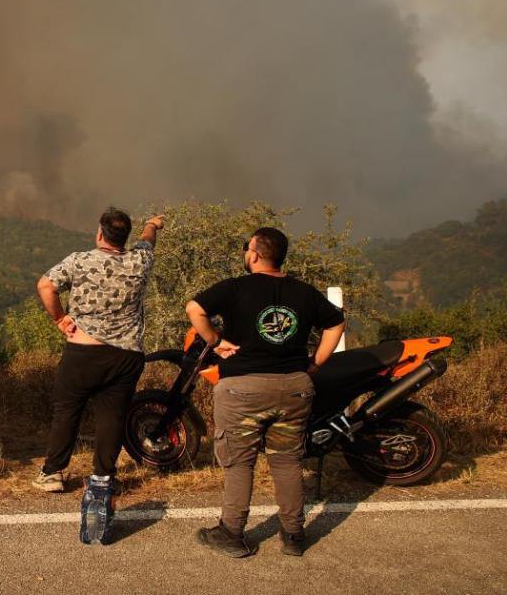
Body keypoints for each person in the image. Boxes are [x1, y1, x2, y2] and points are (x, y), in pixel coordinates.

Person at [185, 227, 345, 558]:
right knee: (287, 461)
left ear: (255, 253)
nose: (246, 253)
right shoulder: (304, 292)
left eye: (247, 248)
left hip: (242, 389)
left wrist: (215, 341)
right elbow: (336, 323)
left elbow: (194, 309)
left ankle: (232, 533)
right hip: (294, 389)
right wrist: (315, 363)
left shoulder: (234, 288)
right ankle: (294, 536)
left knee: (239, 462)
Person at [32, 208, 164, 524]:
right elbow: (148, 241)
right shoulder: (140, 261)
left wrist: (60, 319)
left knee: (67, 411)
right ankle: (103, 477)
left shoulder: (79, 260)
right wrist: (152, 224)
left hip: (83, 352)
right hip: (126, 355)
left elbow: (45, 286)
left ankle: (53, 473)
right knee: (112, 416)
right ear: (125, 237)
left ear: (100, 234)